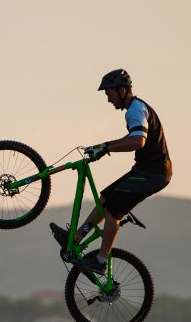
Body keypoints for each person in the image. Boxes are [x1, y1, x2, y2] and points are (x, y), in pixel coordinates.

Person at [50, 68, 172, 273]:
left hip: (154, 173)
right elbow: (132, 140)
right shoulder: (135, 108)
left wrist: (105, 147)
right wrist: (103, 147)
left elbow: (137, 141)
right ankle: (78, 237)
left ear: (122, 90)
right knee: (105, 198)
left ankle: (100, 261)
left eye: (109, 94)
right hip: (145, 170)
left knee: (112, 210)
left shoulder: (136, 109)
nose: (108, 100)